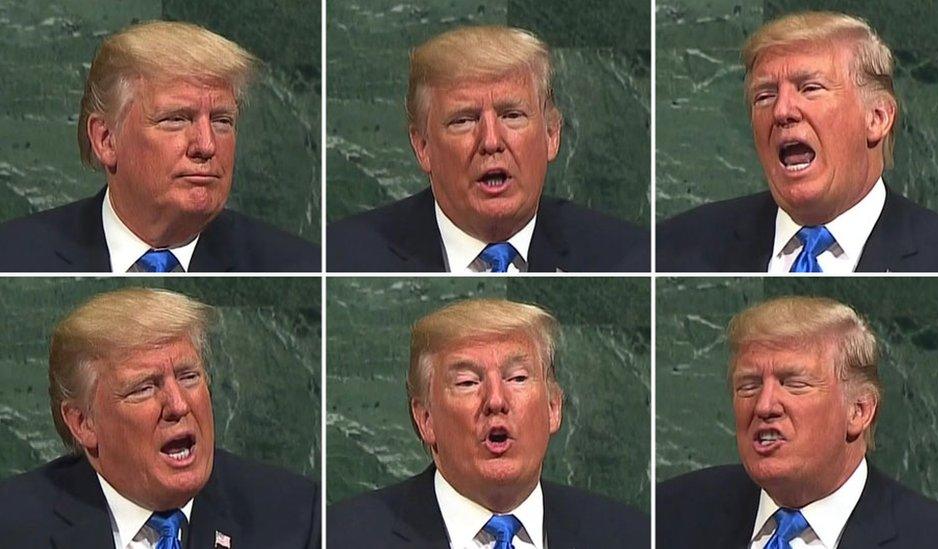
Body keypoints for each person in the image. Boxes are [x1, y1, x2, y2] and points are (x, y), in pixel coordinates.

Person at [657, 11, 938, 272]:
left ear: (877, 118)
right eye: (765, 95)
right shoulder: (676, 247)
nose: (782, 111)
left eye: (810, 88)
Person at [0, 288, 320, 547]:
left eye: (189, 376)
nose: (178, 405)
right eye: (144, 388)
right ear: (84, 423)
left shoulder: (294, 516)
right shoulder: (13, 527)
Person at [657, 296, 938, 548]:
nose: (764, 406)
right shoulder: (670, 515)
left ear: (859, 411)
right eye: (749, 385)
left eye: (794, 383)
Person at [0, 21, 319, 272]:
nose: (206, 146)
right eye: (177, 119)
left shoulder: (296, 265)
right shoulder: (14, 255)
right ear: (106, 140)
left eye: (222, 121)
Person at [327, 26, 650, 273]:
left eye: (512, 115)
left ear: (552, 134)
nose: (491, 141)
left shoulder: (626, 258)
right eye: (464, 120)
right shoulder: (341, 258)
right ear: (422, 146)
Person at [327, 299, 649, 546]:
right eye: (468, 382)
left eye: (518, 377)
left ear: (553, 407)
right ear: (425, 419)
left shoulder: (630, 536)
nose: (496, 400)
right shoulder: (342, 538)